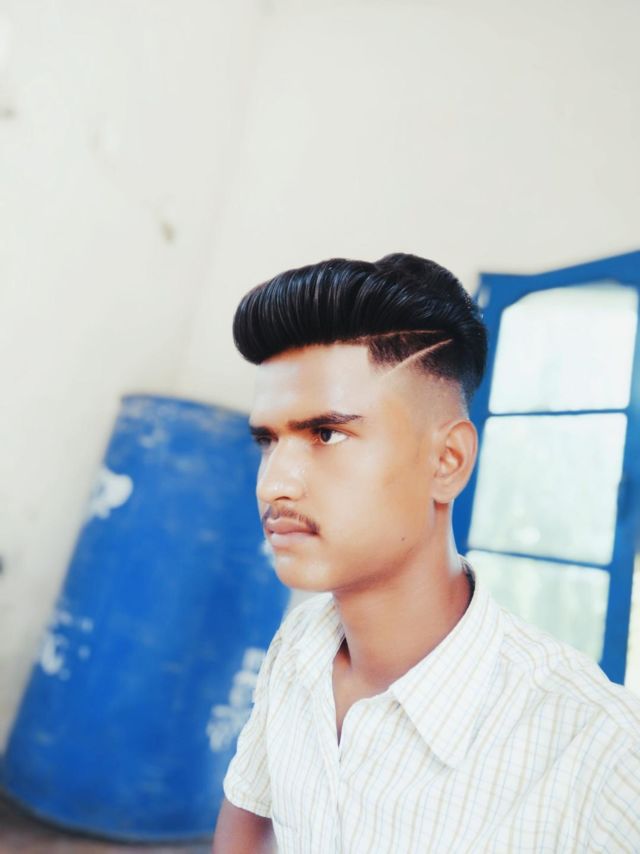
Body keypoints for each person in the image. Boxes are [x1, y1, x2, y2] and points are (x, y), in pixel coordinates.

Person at [212, 254, 640, 853]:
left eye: (326, 434)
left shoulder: (601, 755)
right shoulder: (299, 648)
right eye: (268, 441)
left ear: (447, 461)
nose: (274, 484)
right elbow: (247, 824)